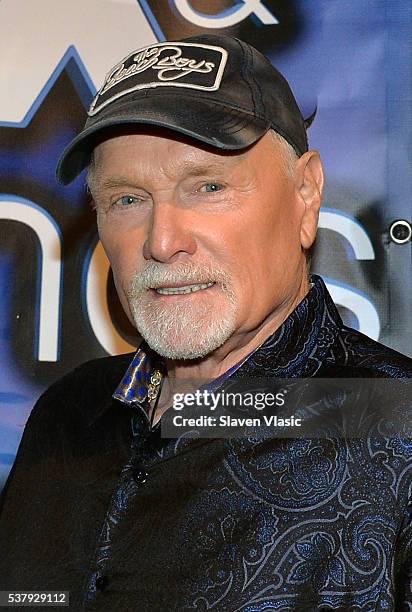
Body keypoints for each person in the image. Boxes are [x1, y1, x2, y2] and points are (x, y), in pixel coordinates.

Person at [0, 34, 412, 610]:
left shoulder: (399, 430)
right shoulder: (66, 416)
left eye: (209, 186)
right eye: (127, 199)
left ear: (305, 193)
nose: (162, 241)